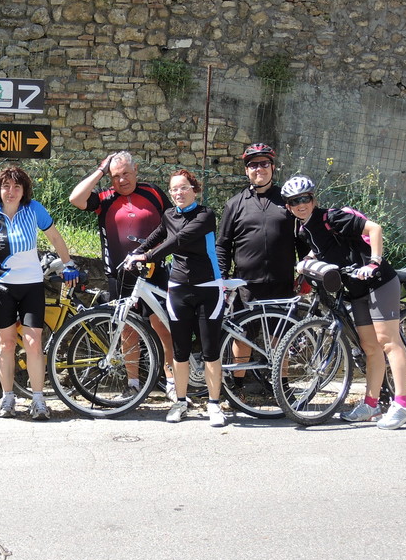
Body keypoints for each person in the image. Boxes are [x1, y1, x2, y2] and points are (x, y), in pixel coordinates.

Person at [282, 175, 406, 430]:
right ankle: (371, 404)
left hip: (378, 282)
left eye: (305, 198)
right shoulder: (304, 228)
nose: (301, 204)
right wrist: (307, 261)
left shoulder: (331, 217)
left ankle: (403, 403)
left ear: (313, 199)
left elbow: (374, 228)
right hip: (354, 289)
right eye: (294, 201)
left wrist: (374, 261)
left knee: (388, 342)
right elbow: (321, 248)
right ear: (288, 206)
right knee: (369, 347)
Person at [0, 165, 79, 421]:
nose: (11, 191)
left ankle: (39, 400)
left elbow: (54, 236)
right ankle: (7, 398)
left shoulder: (34, 210)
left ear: (24, 190)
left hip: (31, 285)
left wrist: (69, 263)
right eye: (6, 186)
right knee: (6, 344)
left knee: (33, 343)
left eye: (17, 187)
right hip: (0, 288)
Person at [68, 150, 175, 397]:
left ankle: (172, 383)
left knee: (163, 327)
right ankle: (133, 385)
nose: (122, 180)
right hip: (120, 275)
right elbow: (75, 198)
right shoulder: (105, 198)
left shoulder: (154, 193)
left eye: (126, 173)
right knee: (126, 329)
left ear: (136, 170)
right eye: (116, 176)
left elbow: (174, 225)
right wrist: (100, 170)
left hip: (153, 271)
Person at [128, 169, 228, 427]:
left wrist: (148, 257)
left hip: (208, 287)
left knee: (210, 350)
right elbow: (158, 235)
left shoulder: (205, 215)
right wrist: (136, 252)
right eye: (174, 189)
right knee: (180, 351)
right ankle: (180, 402)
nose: (178, 193)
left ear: (195, 189)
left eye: (184, 188)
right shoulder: (169, 215)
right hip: (179, 288)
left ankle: (214, 405)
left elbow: (179, 241)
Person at [216, 142, 300, 387]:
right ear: (246, 171)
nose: (259, 169)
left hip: (281, 283)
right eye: (253, 165)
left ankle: (282, 388)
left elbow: (302, 237)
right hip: (246, 284)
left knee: (280, 338)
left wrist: (306, 267)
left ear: (273, 168)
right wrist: (221, 277)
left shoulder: (287, 201)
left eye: (264, 164)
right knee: (242, 337)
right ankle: (237, 387)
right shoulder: (235, 203)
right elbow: (223, 244)